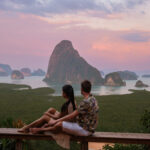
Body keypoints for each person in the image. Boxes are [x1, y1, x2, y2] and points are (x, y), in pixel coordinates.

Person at [30, 80, 99, 136]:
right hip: (90, 128)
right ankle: (37, 128)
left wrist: (56, 121)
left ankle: (39, 130)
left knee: (59, 124)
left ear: (81, 89)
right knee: (57, 122)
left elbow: (72, 115)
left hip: (84, 130)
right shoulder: (93, 98)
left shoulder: (85, 102)